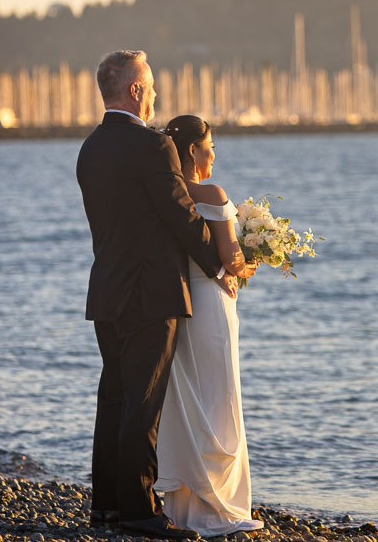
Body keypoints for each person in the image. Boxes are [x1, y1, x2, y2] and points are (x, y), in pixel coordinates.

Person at [76, 50, 248, 539]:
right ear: (134, 91)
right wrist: (220, 268)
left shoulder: (90, 149)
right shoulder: (152, 148)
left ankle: (106, 507)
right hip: (151, 295)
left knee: (113, 400)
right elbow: (181, 218)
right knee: (142, 405)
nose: (154, 97)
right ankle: (139, 511)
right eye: (150, 88)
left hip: (107, 291)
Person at [154, 115, 264, 535]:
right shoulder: (212, 193)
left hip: (179, 305)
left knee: (188, 402)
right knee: (220, 398)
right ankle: (221, 509)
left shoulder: (165, 195)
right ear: (194, 151)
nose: (214, 154)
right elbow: (230, 259)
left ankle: (183, 509)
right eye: (211, 146)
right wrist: (254, 259)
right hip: (213, 306)